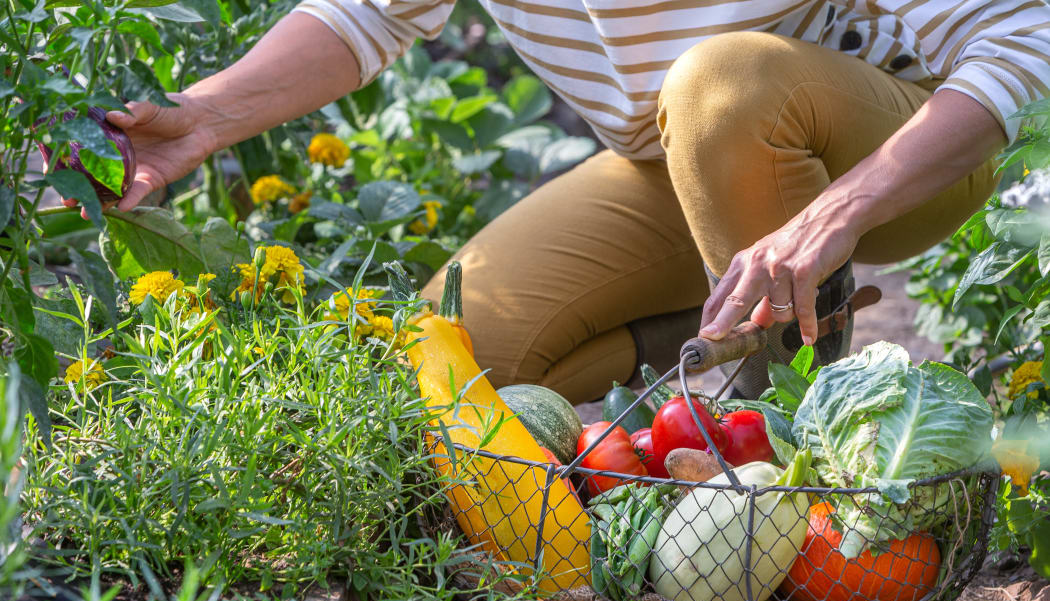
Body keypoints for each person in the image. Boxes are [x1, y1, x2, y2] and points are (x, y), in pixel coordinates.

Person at [66, 1, 1050, 404]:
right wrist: (201, 120)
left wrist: (835, 213)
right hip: (683, 163)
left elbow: (1019, 41)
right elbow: (364, 14)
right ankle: (714, 327)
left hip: (889, 152)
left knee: (721, 82)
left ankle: (800, 439)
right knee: (451, 362)